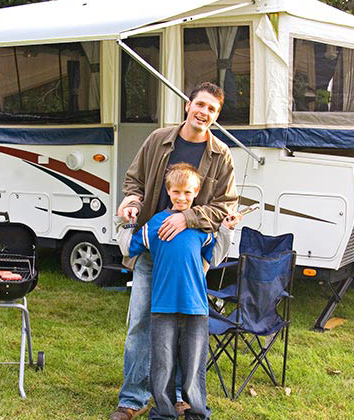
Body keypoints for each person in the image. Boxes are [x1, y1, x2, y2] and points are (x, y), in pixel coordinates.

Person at [111, 82, 238, 420]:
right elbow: (134, 181)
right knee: (141, 325)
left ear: (216, 115)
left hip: (188, 257)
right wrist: (132, 202)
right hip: (151, 252)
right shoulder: (158, 140)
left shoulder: (221, 155)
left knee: (184, 328)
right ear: (187, 105)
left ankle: (181, 397)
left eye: (212, 109)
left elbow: (225, 206)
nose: (204, 112)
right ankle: (133, 398)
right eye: (200, 105)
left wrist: (187, 217)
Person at [127, 164, 238, 420]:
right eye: (176, 191)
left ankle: (196, 412)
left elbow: (216, 256)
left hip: (196, 308)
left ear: (196, 192)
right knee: (162, 364)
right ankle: (164, 412)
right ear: (168, 191)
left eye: (187, 192)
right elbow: (129, 247)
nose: (181, 197)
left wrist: (227, 230)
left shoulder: (201, 228)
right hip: (162, 307)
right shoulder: (156, 223)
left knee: (193, 365)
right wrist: (126, 220)